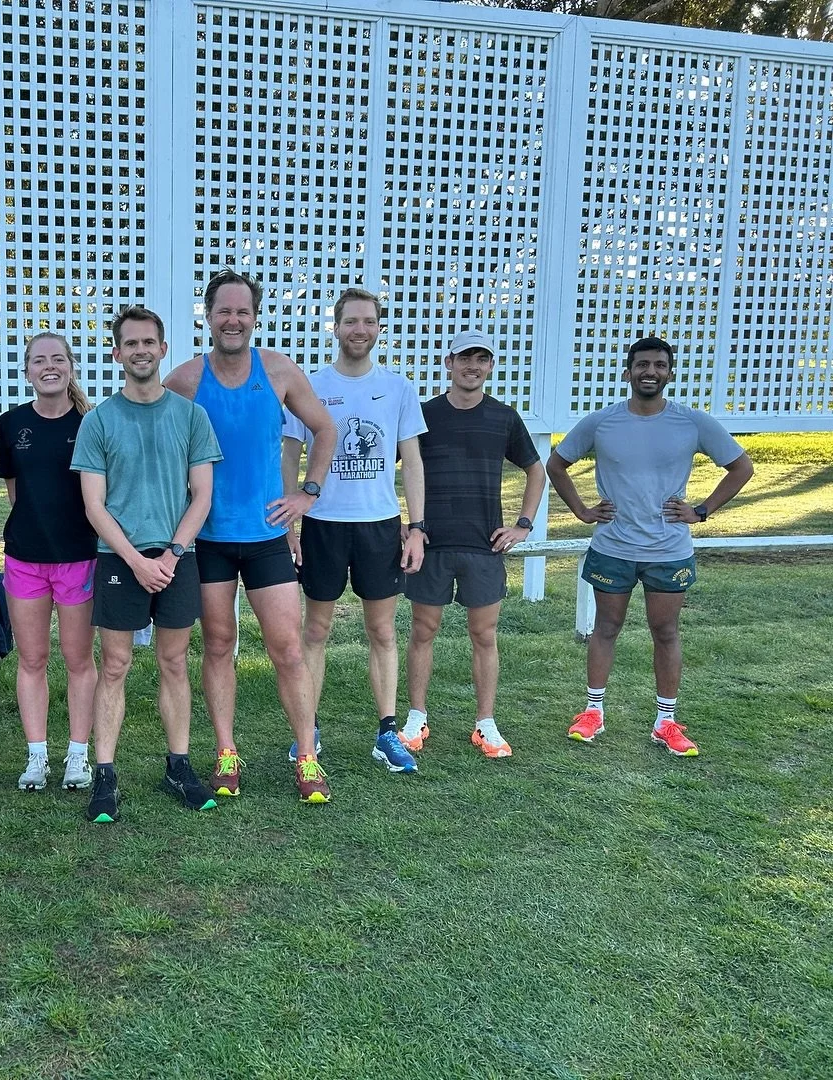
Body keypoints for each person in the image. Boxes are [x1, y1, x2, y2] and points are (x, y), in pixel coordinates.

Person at [165, 270, 335, 803]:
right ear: (209, 316)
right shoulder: (185, 380)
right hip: (209, 538)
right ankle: (225, 751)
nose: (233, 320)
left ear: (255, 317)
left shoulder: (279, 370)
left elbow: (325, 428)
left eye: (243, 311)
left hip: (266, 537)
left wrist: (307, 493)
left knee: (288, 649)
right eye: (224, 311)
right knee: (218, 645)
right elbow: (152, 432)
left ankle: (306, 754)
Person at [547, 336, 753, 756]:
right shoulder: (602, 422)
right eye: (642, 365)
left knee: (666, 631)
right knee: (606, 628)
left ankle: (666, 722)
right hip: (613, 546)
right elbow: (556, 464)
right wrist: (583, 511)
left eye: (659, 365)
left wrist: (702, 510)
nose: (650, 372)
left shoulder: (692, 422)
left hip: (668, 550)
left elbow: (741, 467)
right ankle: (593, 712)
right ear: (628, 372)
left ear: (670, 373)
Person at [71, 305, 222, 823]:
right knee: (114, 665)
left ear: (162, 349)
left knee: (173, 662)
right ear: (117, 354)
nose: (140, 350)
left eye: (148, 342)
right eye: (130, 343)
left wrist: (172, 553)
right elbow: (94, 505)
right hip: (119, 558)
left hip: (178, 557)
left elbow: (201, 496)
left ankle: (178, 766)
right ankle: (104, 774)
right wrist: (136, 560)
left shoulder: (191, 416)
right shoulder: (99, 421)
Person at [283, 287, 428, 773]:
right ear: (336, 327)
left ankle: (387, 732)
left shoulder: (398, 388)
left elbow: (413, 462)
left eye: (368, 321)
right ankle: (308, 730)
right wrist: (290, 523)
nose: (359, 330)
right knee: (315, 630)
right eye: (351, 321)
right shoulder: (311, 385)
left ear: (379, 328)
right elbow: (290, 455)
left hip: (379, 526)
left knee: (382, 630)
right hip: (323, 524)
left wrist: (416, 527)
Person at [402, 329, 547, 759]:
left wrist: (522, 525)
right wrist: (405, 527)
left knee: (484, 634)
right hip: (432, 543)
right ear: (449, 363)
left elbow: (536, 471)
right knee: (423, 630)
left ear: (490, 366)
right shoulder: (423, 415)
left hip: (484, 546)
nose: (473, 366)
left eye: (482, 359)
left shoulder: (503, 417)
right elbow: (387, 466)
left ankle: (485, 723)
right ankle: (416, 717)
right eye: (465, 358)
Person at [0, 332, 100, 792]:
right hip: (25, 558)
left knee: (78, 659)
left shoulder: (92, 423)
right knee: (32, 658)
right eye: (39, 361)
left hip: (78, 557)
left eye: (58, 359)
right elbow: (16, 491)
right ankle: (36, 757)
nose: (49, 367)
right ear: (27, 371)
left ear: (71, 366)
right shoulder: (11, 423)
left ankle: (78, 756)